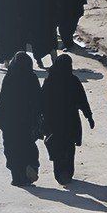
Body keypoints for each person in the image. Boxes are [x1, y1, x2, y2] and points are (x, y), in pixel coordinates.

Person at [41, 54, 94, 186]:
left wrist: (40, 119)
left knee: (57, 147)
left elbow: (42, 102)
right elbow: (82, 100)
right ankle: (67, 173)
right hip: (71, 121)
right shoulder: (73, 80)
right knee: (69, 148)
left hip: (53, 122)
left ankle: (60, 174)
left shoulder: (50, 80)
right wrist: (89, 116)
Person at [0, 52, 42, 186]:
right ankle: (30, 166)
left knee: (12, 149)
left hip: (10, 122)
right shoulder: (32, 77)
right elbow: (38, 100)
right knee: (28, 147)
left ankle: (17, 177)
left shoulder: (10, 77)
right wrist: (40, 118)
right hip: (27, 121)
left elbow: (2, 99)